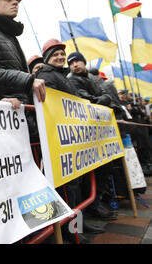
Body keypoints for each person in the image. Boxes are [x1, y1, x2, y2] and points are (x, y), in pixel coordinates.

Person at [35, 39, 104, 243]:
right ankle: (70, 232)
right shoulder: (46, 75)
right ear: (48, 58)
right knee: (66, 190)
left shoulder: (61, 76)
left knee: (77, 186)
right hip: (58, 142)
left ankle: (78, 225)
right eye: (55, 55)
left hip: (70, 141)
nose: (60, 58)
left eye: (62, 55)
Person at [67, 52, 118, 221]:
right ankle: (90, 209)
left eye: (77, 61)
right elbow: (83, 98)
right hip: (85, 134)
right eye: (71, 62)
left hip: (99, 133)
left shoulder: (92, 78)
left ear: (83, 62)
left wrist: (105, 98)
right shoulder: (71, 79)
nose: (75, 65)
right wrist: (99, 100)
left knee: (104, 168)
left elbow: (106, 94)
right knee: (89, 175)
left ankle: (97, 203)